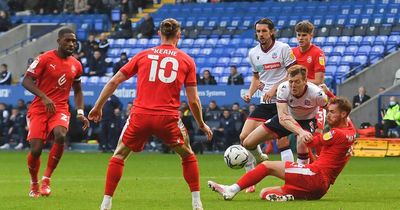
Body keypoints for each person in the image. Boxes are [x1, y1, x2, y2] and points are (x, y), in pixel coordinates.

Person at [88, 18, 213, 210]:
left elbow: (114, 82)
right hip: (168, 118)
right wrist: (202, 124)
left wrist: (97, 106)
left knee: (119, 155)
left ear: (159, 34)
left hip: (140, 116)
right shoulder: (187, 60)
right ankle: (197, 203)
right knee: (187, 155)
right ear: (178, 36)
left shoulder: (143, 55)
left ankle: (105, 203)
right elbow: (193, 100)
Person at [208, 97, 356, 202]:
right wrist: (329, 95)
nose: (328, 115)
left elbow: (310, 142)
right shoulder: (351, 132)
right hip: (320, 189)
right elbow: (345, 115)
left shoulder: (335, 134)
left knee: (266, 166)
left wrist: (292, 125)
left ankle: (231, 189)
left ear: (343, 114)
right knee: (265, 193)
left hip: (315, 176)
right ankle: (287, 197)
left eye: (332, 112)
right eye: (328, 111)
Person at [21, 28, 90, 198]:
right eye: (67, 40)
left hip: (59, 108)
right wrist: (44, 97)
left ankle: (46, 179)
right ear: (58, 41)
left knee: (60, 135)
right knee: (36, 149)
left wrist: (80, 112)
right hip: (39, 108)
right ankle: (34, 183)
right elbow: (26, 81)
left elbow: (78, 90)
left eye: (74, 41)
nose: (71, 44)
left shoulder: (76, 64)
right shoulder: (44, 59)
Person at [239, 18, 296, 193]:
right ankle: (255, 169)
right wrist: (250, 92)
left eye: (264, 31)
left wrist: (274, 89)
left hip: (283, 100)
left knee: (283, 140)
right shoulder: (253, 53)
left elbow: (292, 73)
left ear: (272, 31)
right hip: (265, 102)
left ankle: (292, 180)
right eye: (258, 31)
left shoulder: (283, 49)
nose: (261, 34)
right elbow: (256, 77)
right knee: (244, 137)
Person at [242, 65, 328, 170]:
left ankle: (301, 178)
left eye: (297, 82)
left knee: (302, 142)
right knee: (247, 142)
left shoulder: (317, 94)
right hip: (287, 119)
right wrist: (300, 132)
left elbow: (331, 109)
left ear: (305, 81)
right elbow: (283, 117)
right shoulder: (283, 88)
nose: (293, 85)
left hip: (307, 120)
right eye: (291, 81)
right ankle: (259, 157)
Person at [290, 20, 327, 161]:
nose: (300, 38)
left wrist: (299, 83)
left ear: (311, 36)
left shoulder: (318, 54)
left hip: (314, 100)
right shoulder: (292, 53)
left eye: (304, 35)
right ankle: (310, 168)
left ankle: (320, 164)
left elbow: (319, 81)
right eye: (298, 35)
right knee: (301, 138)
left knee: (316, 136)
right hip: (296, 101)